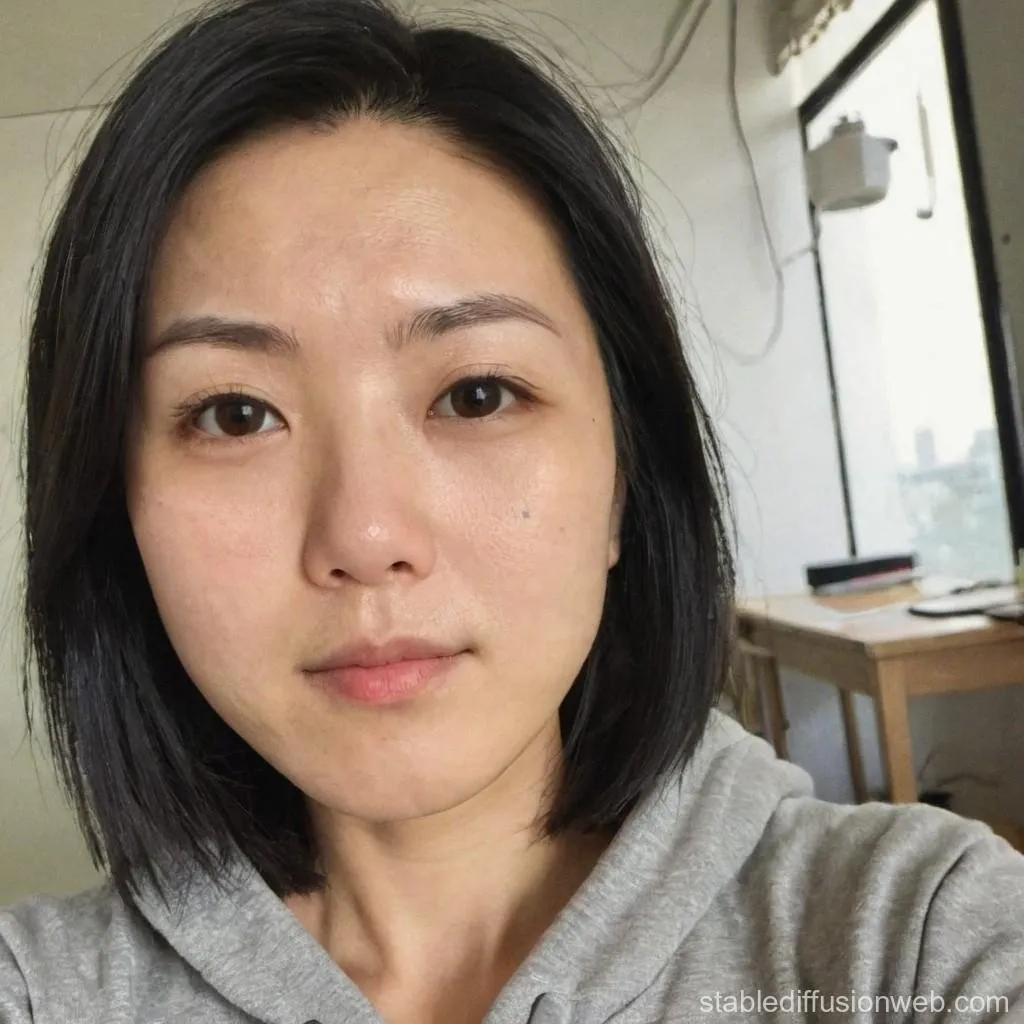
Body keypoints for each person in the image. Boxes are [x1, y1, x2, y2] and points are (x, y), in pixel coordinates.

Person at [2, 0, 1022, 1021]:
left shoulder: (914, 941)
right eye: (235, 414)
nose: (366, 537)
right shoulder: (44, 992)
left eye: (476, 395)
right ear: (114, 507)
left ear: (624, 477)